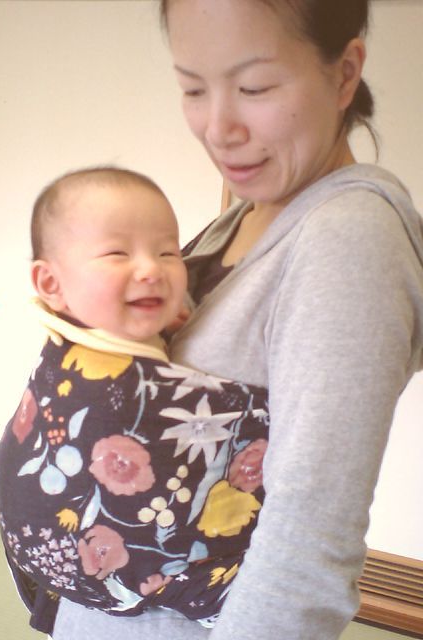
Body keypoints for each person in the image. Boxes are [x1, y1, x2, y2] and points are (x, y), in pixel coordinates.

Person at [51, 2, 423, 640]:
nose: (218, 128)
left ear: (344, 74)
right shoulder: (249, 213)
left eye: (254, 87)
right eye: (193, 89)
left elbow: (307, 547)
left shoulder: (348, 238)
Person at [0, 167, 270, 635]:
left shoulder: (140, 324)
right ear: (51, 284)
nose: (151, 269)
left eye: (168, 252)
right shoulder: (83, 355)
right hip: (94, 556)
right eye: (118, 253)